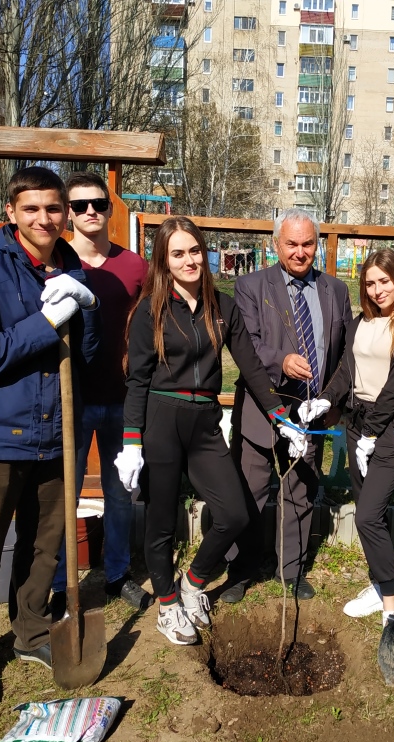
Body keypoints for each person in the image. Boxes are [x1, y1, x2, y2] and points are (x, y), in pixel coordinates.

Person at [0, 166, 101, 709]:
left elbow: (84, 359)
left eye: (54, 209)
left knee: (45, 547)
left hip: (56, 435)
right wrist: (46, 320)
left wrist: (86, 312)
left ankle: (33, 631)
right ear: (10, 212)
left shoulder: (72, 267)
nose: (45, 218)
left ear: (65, 214)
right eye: (31, 208)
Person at [114, 217, 304, 645]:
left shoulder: (223, 306)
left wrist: (280, 417)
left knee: (234, 513)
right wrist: (131, 441)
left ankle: (193, 583)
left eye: (194, 251)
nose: (189, 260)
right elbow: (138, 380)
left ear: (205, 252)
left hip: (204, 423)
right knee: (161, 522)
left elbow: (252, 368)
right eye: (177, 254)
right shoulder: (151, 311)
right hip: (162, 420)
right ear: (164, 261)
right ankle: (166, 604)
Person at [223, 208, 353, 603]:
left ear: (318, 245)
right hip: (264, 408)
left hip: (309, 412)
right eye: (291, 244)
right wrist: (281, 360)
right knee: (250, 489)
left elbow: (344, 351)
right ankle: (241, 568)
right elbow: (246, 342)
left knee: (300, 489)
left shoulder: (335, 290)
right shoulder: (250, 286)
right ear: (275, 244)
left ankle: (291, 570)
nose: (300, 252)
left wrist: (332, 400)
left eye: (308, 244)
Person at [300, 249, 394, 625]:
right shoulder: (361, 324)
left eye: (384, 282)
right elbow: (346, 371)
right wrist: (325, 400)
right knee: (368, 512)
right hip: (358, 425)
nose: (377, 291)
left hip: (392, 431)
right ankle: (378, 583)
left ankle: (391, 605)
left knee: (368, 517)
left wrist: (372, 434)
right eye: (370, 283)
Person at [49, 172, 148, 616]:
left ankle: (117, 573)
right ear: (68, 212)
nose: (91, 211)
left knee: (120, 491)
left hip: (122, 397)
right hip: (69, 399)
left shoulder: (134, 267)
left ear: (110, 209)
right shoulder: (53, 265)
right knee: (62, 494)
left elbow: (148, 328)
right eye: (80, 204)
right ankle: (57, 583)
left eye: (99, 203)